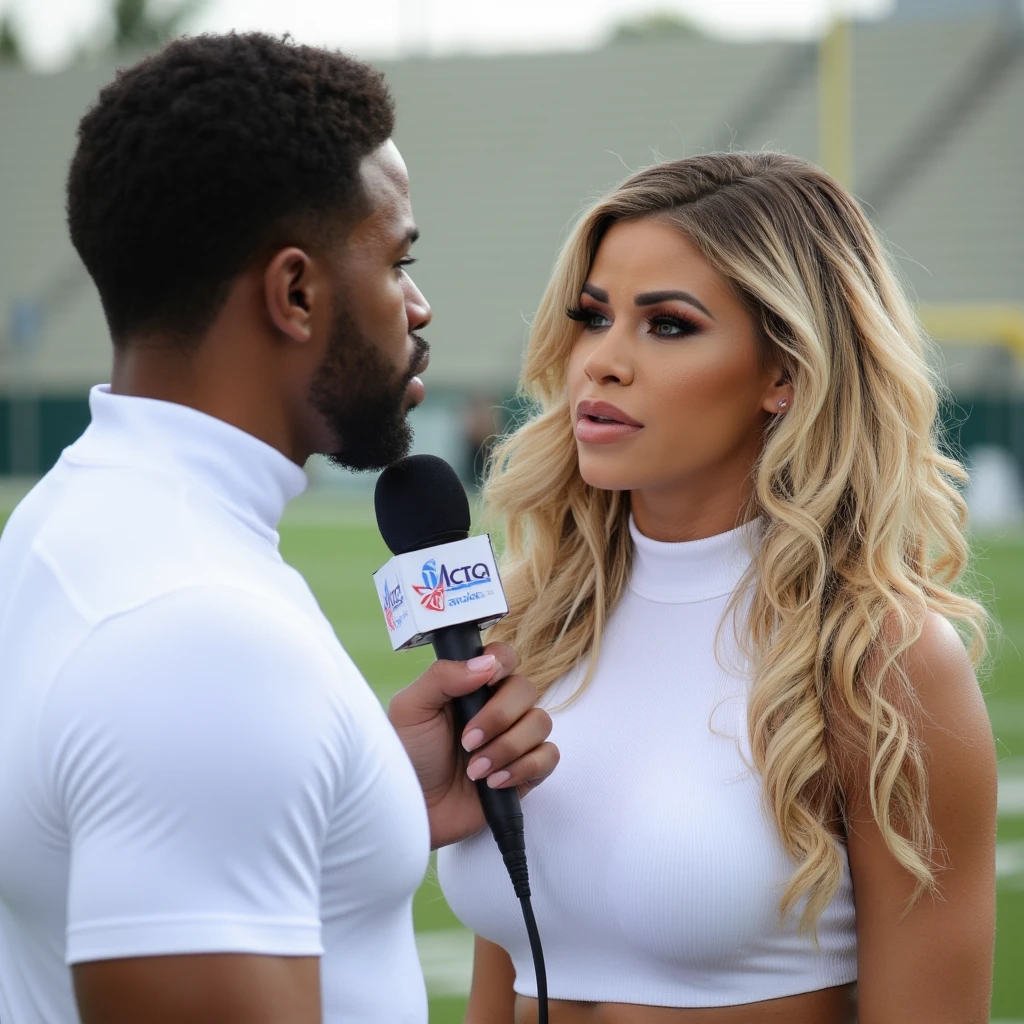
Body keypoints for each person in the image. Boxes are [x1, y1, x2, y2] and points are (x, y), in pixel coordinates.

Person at [0, 34, 557, 1024]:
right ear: (295, 292)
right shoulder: (197, 635)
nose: (419, 306)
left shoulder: (63, 523)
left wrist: (366, 806)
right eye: (399, 261)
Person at [438, 152, 997, 1024]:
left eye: (667, 326)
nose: (602, 363)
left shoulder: (878, 655)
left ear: (785, 372)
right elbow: (508, 975)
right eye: (594, 317)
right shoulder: (530, 620)